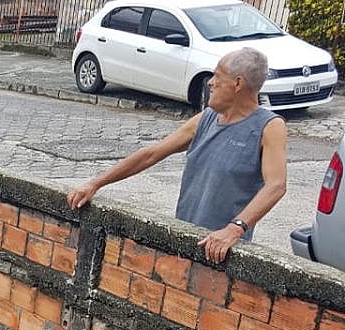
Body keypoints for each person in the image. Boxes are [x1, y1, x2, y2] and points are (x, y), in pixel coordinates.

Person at [67, 47, 286, 264]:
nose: (210, 82)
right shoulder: (207, 118)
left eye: (217, 76)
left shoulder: (269, 126)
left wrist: (235, 229)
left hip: (221, 251)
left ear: (237, 83)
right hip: (185, 239)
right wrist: (95, 184)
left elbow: (276, 185)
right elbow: (151, 154)